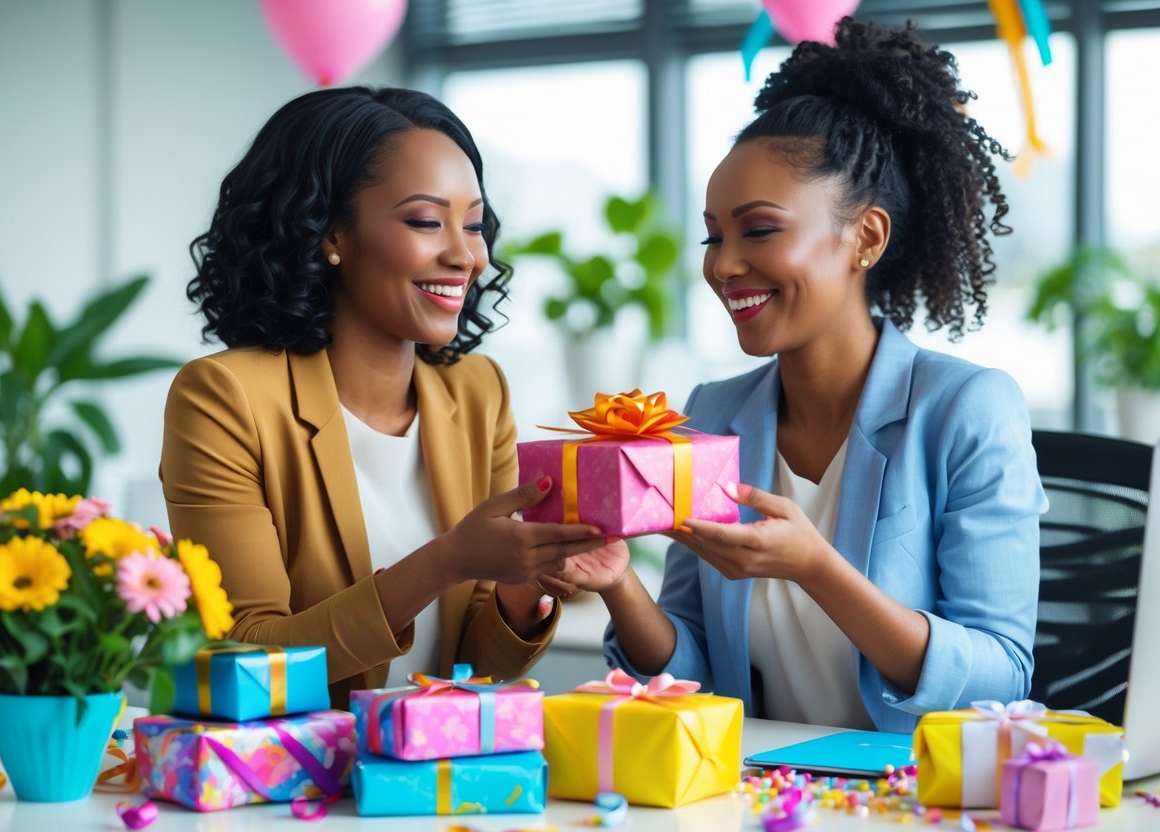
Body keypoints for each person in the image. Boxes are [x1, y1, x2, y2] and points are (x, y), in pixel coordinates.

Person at [547, 18, 1047, 733]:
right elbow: (691, 676)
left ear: (864, 237)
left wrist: (816, 568)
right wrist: (618, 583)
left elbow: (999, 676)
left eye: (758, 230)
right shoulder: (711, 415)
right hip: (759, 791)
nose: (721, 265)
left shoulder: (966, 407)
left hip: (910, 796)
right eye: (712, 236)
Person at [160, 86, 605, 705]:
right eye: (426, 221)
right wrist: (446, 561)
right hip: (290, 785)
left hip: (428, 777)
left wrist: (523, 581)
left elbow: (478, 668)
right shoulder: (223, 397)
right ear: (329, 233)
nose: (465, 255)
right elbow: (249, 657)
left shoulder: (478, 393)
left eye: (474, 224)